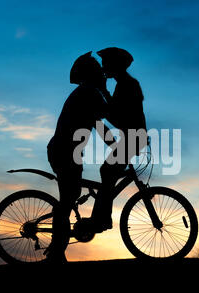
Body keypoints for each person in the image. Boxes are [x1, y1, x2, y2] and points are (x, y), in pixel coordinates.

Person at [45, 52, 109, 263]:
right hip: (65, 151)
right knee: (67, 199)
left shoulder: (86, 92)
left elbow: (98, 124)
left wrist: (114, 143)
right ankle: (55, 251)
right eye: (99, 71)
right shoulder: (88, 93)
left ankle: (58, 249)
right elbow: (107, 118)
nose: (103, 74)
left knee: (70, 195)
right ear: (92, 74)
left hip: (64, 150)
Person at [89, 47, 148, 233]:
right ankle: (100, 218)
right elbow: (115, 115)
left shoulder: (127, 85)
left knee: (107, 171)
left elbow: (116, 117)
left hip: (134, 137)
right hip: (132, 137)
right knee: (108, 172)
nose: (103, 67)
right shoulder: (124, 83)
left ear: (115, 65)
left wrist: (103, 96)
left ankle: (102, 219)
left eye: (106, 63)